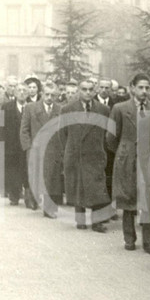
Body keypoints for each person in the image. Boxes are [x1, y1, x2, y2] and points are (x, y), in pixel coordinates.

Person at [106, 74, 150, 251]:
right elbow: (111, 137)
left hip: (148, 158)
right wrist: (124, 151)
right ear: (132, 88)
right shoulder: (119, 109)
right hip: (126, 158)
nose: (144, 91)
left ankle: (148, 241)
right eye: (141, 88)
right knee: (127, 198)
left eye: (147, 88)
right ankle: (129, 238)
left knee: (147, 199)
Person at [59, 79, 111, 233]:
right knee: (78, 186)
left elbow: (107, 134)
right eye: (84, 89)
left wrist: (102, 151)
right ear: (78, 91)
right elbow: (62, 134)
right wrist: (69, 150)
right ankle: (80, 219)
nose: (87, 92)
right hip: (75, 154)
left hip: (95, 154)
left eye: (90, 89)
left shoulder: (103, 110)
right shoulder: (67, 109)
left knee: (96, 188)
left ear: (94, 91)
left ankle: (97, 222)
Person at [20, 81, 64, 218]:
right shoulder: (30, 108)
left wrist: (62, 149)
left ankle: (49, 208)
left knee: (52, 180)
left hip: (54, 150)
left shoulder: (61, 109)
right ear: (41, 94)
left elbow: (64, 130)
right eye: (47, 94)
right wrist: (28, 147)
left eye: (53, 95)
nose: (49, 97)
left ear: (56, 96)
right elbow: (24, 130)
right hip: (36, 149)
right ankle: (33, 198)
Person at [0, 83, 30, 206]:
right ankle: (14, 195)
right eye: (19, 90)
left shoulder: (32, 107)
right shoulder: (6, 107)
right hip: (11, 145)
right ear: (14, 93)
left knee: (27, 170)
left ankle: (29, 197)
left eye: (24, 90)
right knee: (12, 171)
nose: (22, 92)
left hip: (27, 145)